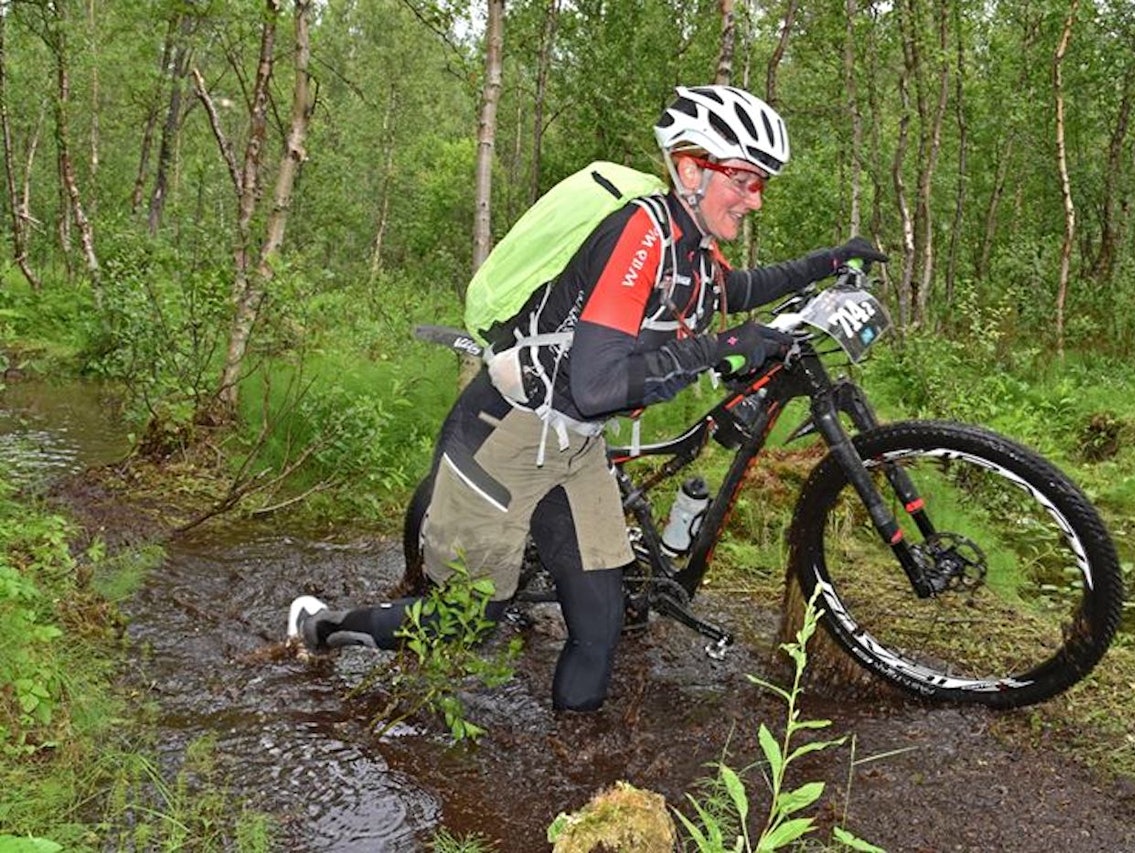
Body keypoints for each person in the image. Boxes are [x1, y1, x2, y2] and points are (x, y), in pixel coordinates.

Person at [287, 85, 888, 712]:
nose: (754, 198)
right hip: (505, 438)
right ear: (690, 168)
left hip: (577, 448)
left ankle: (588, 802)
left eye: (761, 183)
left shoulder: (692, 247)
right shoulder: (640, 235)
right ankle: (323, 628)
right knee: (467, 622)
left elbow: (733, 291)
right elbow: (596, 383)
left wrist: (829, 260)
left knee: (599, 627)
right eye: (742, 178)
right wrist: (721, 348)